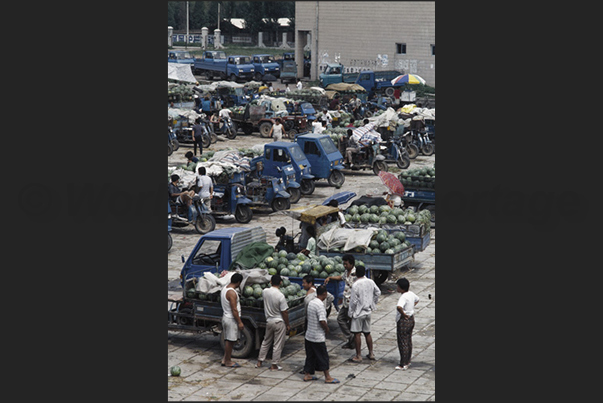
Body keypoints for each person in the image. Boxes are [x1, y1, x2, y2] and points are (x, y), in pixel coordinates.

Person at [303, 286, 340, 384]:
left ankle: (307, 374)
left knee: (310, 356)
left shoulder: (311, 302)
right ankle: (327, 377)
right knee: (323, 356)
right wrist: (327, 329)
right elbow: (322, 321)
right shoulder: (320, 305)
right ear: (324, 294)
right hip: (317, 336)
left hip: (309, 335)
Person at [256, 274, 291, 371]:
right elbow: (284, 311)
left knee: (266, 342)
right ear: (281, 283)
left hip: (269, 321)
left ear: (270, 282)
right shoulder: (281, 296)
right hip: (279, 322)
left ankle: (259, 361)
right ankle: (274, 365)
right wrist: (287, 324)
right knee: (277, 344)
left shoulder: (265, 292)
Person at [348, 265, 381, 363]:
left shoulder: (356, 284)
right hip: (368, 311)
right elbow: (378, 292)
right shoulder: (370, 282)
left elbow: (353, 301)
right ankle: (371, 353)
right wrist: (373, 303)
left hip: (358, 312)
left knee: (357, 333)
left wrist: (350, 313)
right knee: (367, 333)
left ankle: (358, 355)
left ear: (357, 273)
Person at [324, 254, 357, 348]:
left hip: (352, 303)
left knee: (349, 322)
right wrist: (330, 277)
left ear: (351, 264)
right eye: (344, 264)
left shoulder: (355, 273)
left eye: (346, 264)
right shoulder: (346, 272)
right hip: (346, 302)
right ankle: (351, 338)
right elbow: (341, 277)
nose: (344, 266)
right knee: (341, 319)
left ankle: (352, 341)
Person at [220, 272, 244, 368]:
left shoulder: (224, 289)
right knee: (230, 341)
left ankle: (224, 359)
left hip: (226, 317)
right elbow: (234, 309)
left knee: (228, 340)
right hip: (231, 319)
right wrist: (239, 322)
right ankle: (228, 361)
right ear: (238, 282)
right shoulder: (231, 293)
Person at [395, 277, 420, 370]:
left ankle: (403, 363)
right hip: (411, 319)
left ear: (401, 288)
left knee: (402, 342)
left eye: (398, 286)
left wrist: (404, 314)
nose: (397, 288)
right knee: (408, 341)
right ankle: (408, 360)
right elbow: (417, 299)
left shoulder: (403, 297)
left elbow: (399, 307)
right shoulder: (411, 294)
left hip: (404, 321)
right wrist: (411, 308)